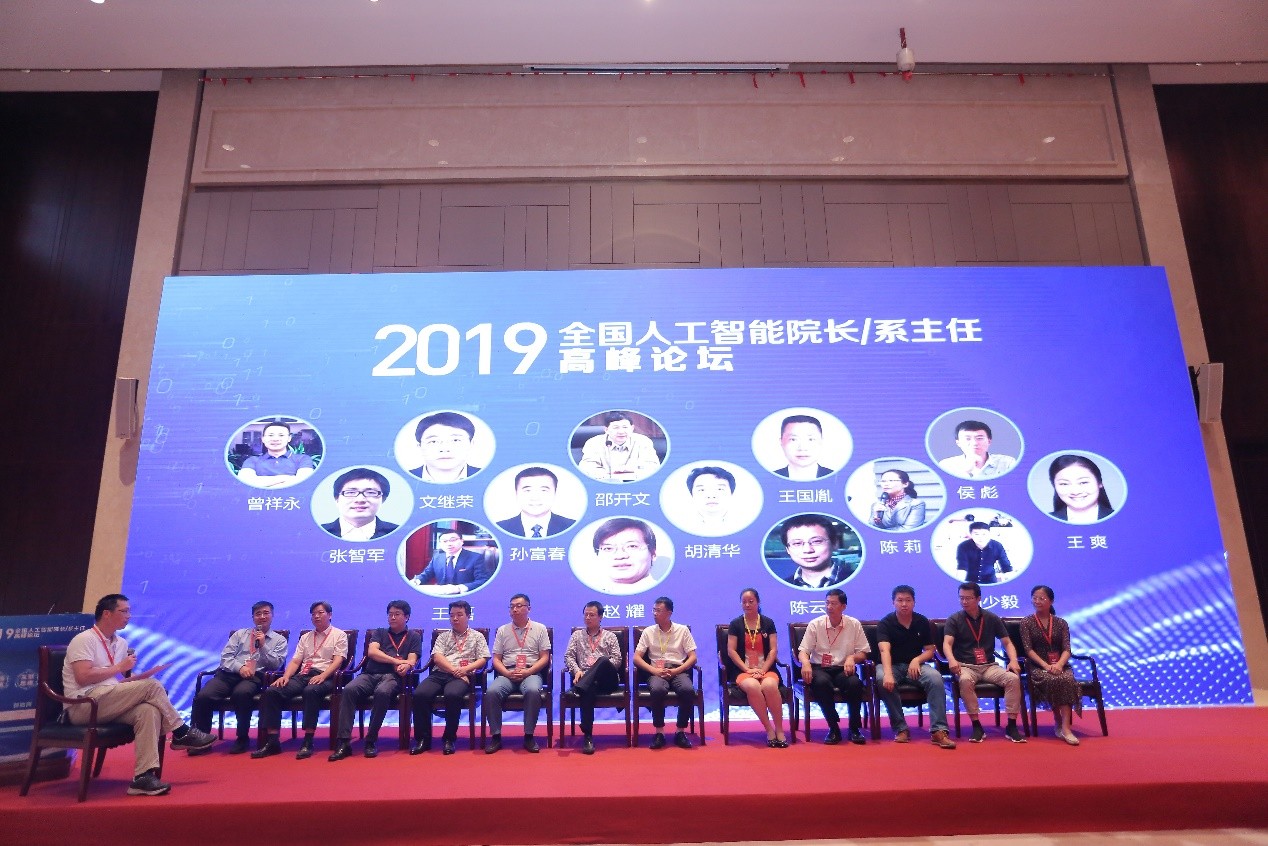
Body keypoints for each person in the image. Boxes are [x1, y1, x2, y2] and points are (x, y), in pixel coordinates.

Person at [63, 594, 215, 796]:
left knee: (148, 710)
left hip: (107, 700)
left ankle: (143, 777)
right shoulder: (84, 639)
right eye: (124, 611)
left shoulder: (120, 643)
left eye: (129, 611)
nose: (129, 616)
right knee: (152, 687)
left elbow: (114, 682)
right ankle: (181, 732)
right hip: (84, 705)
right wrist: (120, 667)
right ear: (107, 614)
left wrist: (139, 677)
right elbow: (83, 677)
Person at [252, 601, 349, 759]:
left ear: (330, 615)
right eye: (313, 614)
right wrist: (285, 676)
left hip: (326, 676)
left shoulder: (339, 635)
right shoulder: (305, 637)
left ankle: (308, 741)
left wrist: (323, 676)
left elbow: (338, 661)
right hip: (303, 675)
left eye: (320, 613)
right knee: (272, 692)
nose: (316, 616)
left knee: (311, 691)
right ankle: (273, 741)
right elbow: (296, 661)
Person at [190, 600, 288, 754]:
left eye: (266, 613)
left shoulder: (279, 640)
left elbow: (276, 664)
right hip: (228, 674)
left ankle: (242, 738)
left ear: (272, 615)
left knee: (242, 694)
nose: (262, 617)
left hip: (254, 677)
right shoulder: (239, 635)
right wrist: (240, 667)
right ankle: (201, 740)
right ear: (253, 617)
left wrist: (263, 646)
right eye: (258, 614)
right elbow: (226, 657)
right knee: (203, 696)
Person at [329, 600, 421, 760]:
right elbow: (372, 652)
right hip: (370, 674)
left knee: (382, 692)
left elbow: (412, 660)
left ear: (407, 617)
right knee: (349, 690)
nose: (392, 617)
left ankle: (370, 740)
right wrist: (397, 661)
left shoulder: (414, 636)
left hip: (393, 677)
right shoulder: (380, 632)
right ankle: (344, 742)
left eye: (397, 614)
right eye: (390, 614)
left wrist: (407, 666)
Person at [943, 581, 1026, 743]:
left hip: (989, 666)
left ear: (978, 598)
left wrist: (1013, 661)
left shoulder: (991, 618)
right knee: (965, 680)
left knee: (1012, 679)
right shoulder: (954, 619)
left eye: (968, 598)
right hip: (965, 666)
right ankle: (976, 726)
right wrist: (952, 660)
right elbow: (947, 643)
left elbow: (1007, 642)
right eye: (961, 598)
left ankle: (1011, 725)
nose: (964, 601)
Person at [875, 585, 956, 749]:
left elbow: (930, 650)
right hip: (892, 665)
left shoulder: (921, 621)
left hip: (915, 666)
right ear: (893, 602)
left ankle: (938, 730)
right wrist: (889, 674)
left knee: (935, 678)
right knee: (882, 678)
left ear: (914, 602)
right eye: (900, 600)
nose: (904, 604)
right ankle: (901, 728)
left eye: (908, 600)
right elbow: (884, 650)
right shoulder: (885, 623)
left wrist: (917, 660)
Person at [411, 600, 489, 755]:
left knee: (452, 694)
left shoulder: (477, 636)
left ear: (468, 616)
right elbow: (437, 657)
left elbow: (483, 659)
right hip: (441, 673)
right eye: (452, 615)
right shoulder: (443, 636)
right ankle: (423, 740)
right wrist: (455, 670)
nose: (455, 618)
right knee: (420, 694)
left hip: (463, 675)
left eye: (459, 615)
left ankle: (449, 739)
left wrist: (465, 670)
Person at [796, 588, 869, 745]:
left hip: (843, 668)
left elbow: (863, 652)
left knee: (854, 683)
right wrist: (806, 663)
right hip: (820, 668)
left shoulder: (853, 624)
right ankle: (833, 727)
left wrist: (852, 658)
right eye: (827, 603)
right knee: (821, 683)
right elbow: (803, 651)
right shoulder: (816, 624)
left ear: (843, 606)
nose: (829, 607)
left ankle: (854, 728)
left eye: (833, 604)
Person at [485, 593, 552, 753]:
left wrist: (528, 671)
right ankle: (496, 736)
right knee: (492, 692)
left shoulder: (540, 628)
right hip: (507, 672)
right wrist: (507, 673)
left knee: (533, 690)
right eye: (512, 606)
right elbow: (496, 659)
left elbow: (545, 657)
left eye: (519, 606)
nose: (514, 609)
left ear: (529, 608)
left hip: (531, 672)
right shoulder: (503, 630)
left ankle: (529, 735)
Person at [633, 596, 698, 749]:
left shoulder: (682, 630)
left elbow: (693, 657)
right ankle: (659, 732)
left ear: (669, 613)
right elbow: (636, 658)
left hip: (678, 670)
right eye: (653, 610)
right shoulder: (648, 632)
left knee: (687, 690)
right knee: (657, 689)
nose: (655, 613)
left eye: (658, 610)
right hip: (656, 671)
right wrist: (654, 670)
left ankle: (680, 731)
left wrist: (677, 670)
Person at [1021, 585, 1082, 745]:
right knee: (1053, 680)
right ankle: (1058, 720)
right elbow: (1028, 650)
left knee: (1066, 679)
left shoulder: (1061, 623)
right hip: (1037, 666)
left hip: (1061, 665)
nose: (1037, 601)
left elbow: (1067, 649)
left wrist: (1060, 665)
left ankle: (1066, 728)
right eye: (1034, 598)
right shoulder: (1027, 622)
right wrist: (1046, 666)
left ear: (1051, 601)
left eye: (1042, 598)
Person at [726, 588, 787, 747]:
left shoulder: (768, 623)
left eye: (751, 601)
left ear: (758, 602)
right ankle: (769, 730)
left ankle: (780, 729)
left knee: (769, 685)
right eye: (744, 602)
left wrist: (764, 669)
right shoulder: (735, 624)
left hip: (766, 669)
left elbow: (773, 650)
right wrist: (747, 670)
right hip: (743, 671)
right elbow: (731, 651)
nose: (747, 605)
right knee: (753, 686)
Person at [562, 600, 623, 754]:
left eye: (592, 615)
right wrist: (576, 670)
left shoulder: (610, 636)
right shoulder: (577, 635)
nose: (588, 618)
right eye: (586, 615)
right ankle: (588, 736)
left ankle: (577, 688)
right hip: (587, 681)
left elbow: (617, 660)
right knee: (588, 688)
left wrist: (596, 668)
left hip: (608, 680)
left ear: (600, 617)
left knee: (603, 660)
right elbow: (569, 656)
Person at [577, 411, 662, 482]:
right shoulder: (594, 443)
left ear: (632, 428)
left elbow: (652, 467)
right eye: (616, 428)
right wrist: (611, 476)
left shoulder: (643, 441)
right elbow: (587, 467)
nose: (621, 431)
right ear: (606, 430)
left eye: (625, 427)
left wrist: (628, 474)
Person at [319, 467, 399, 540]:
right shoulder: (317, 533)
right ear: (336, 499)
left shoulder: (398, 533)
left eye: (370, 492)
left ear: (383, 499)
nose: (360, 499)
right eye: (350, 492)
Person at [495, 466, 576, 538]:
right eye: (528, 490)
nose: (535, 497)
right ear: (516, 493)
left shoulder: (574, 528)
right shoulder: (498, 529)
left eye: (543, 490)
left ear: (555, 493)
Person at [779, 514, 854, 588]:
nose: (808, 550)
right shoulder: (781, 587)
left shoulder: (857, 581)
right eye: (797, 543)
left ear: (834, 544)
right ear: (787, 549)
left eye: (816, 541)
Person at [589, 517, 660, 593]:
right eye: (608, 548)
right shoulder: (587, 595)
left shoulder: (664, 593)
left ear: (653, 554)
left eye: (632, 546)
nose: (620, 556)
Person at [409, 411, 482, 482]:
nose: (445, 449)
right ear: (420, 446)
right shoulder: (406, 478)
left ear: (471, 444)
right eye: (433, 441)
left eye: (455, 440)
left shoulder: (484, 477)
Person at [237, 421, 315, 488]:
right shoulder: (252, 461)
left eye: (281, 435)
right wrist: (286, 478)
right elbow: (246, 482)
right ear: (263, 439)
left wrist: (261, 481)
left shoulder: (303, 459)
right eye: (270, 435)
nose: (275, 439)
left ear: (289, 438)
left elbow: (304, 483)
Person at [414, 529, 489, 594]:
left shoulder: (476, 557)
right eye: (444, 541)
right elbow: (427, 573)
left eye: (453, 540)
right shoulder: (437, 557)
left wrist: (459, 588)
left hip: (464, 595)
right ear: (440, 544)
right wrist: (417, 580)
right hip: (441, 595)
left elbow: (483, 580)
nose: (449, 544)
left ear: (462, 541)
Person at [937, 420, 1016, 479]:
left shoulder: (1008, 463)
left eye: (979, 438)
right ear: (958, 443)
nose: (974, 443)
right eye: (967, 439)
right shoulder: (947, 465)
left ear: (989, 441)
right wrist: (966, 472)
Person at [1048, 454, 1115, 523]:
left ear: (1099, 483)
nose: (1075, 492)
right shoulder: (1045, 521)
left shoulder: (1120, 519)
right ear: (1054, 486)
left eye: (1083, 482)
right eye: (1064, 484)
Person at [774, 414, 834, 480]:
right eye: (793, 439)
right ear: (781, 442)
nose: (802, 448)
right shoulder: (771, 479)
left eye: (810, 439)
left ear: (821, 441)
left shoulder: (835, 477)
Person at [685, 465, 738, 534]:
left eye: (719, 489)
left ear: (731, 493)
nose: (711, 496)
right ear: (692, 495)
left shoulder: (742, 525)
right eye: (702, 490)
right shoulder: (683, 527)